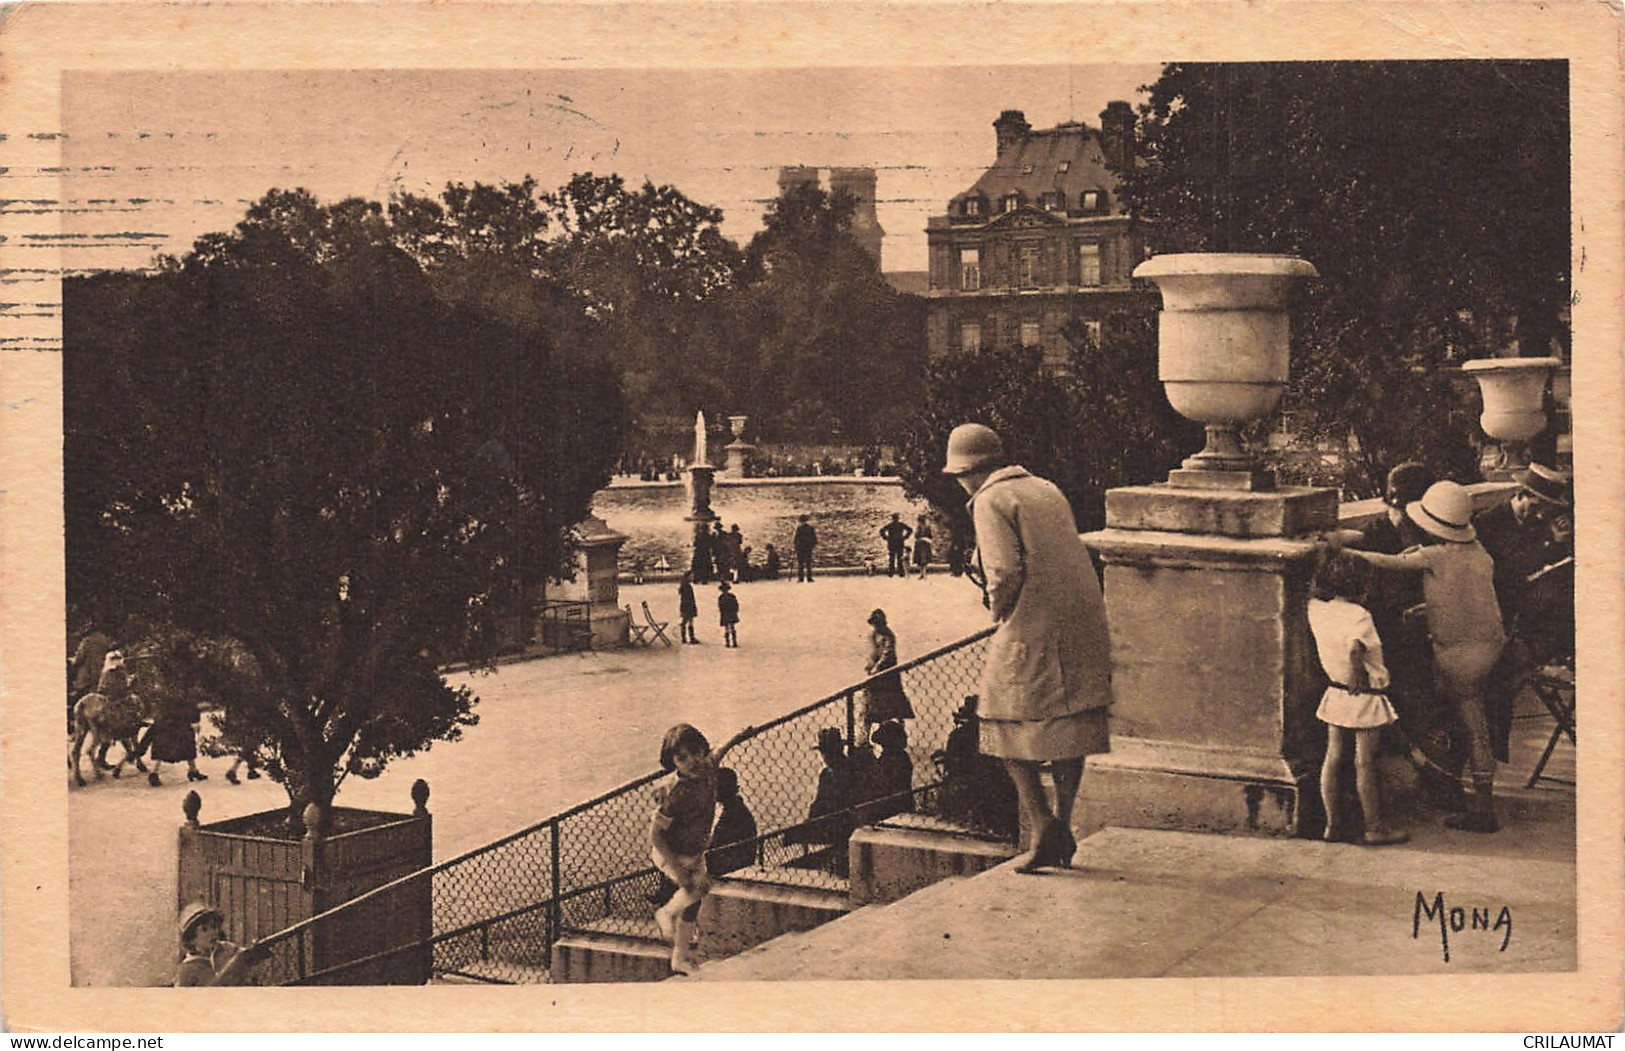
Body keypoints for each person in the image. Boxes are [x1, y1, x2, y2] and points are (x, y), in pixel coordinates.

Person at [943, 422, 1112, 873]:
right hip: (1081, 618)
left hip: (1033, 622)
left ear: (968, 471)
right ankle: (1063, 821)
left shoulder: (991, 500)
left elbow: (1003, 572)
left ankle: (1041, 824)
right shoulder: (1045, 487)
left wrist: (997, 614)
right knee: (1070, 720)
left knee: (998, 716)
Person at [1345, 480, 1506, 833]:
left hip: (1458, 658)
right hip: (1490, 648)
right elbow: (1464, 600)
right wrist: (1427, 609)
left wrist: (1345, 551)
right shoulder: (1480, 554)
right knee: (1475, 724)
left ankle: (1477, 806)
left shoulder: (1434, 557)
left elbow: (1385, 562)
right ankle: (1474, 795)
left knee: (1462, 721)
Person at [1309, 553, 1408, 846]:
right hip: (1363, 695)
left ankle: (1332, 824)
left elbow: (1311, 593)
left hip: (1336, 692)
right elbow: (1356, 648)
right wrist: (1357, 672)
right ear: (1363, 587)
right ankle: (1374, 827)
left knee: (1333, 758)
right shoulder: (1360, 615)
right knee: (1365, 761)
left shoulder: (1317, 609)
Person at [649, 721, 752, 975]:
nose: (692, 761)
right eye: (682, 758)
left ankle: (679, 959)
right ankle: (665, 914)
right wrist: (676, 867)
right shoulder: (673, 794)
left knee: (696, 900)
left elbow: (721, 749)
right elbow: (656, 836)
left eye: (696, 753)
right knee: (694, 888)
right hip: (669, 852)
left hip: (694, 851)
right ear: (672, 761)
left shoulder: (708, 768)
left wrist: (739, 735)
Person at [174, 903, 265, 986]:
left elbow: (248, 959)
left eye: (214, 927)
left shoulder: (229, 949)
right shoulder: (187, 970)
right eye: (204, 929)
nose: (213, 932)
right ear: (191, 939)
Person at [861, 609, 914, 735]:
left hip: (888, 676)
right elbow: (871, 652)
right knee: (869, 706)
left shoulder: (888, 635)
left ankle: (900, 732)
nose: (876, 626)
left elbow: (887, 653)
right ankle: (865, 737)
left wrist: (877, 668)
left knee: (895, 706)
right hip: (875, 677)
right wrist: (869, 666)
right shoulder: (872, 636)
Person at [706, 767, 759, 877]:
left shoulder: (733, 814)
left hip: (731, 867)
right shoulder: (735, 808)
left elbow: (716, 845)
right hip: (736, 862)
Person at [872, 719, 915, 818]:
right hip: (899, 801)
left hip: (893, 803)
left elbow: (887, 782)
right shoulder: (899, 756)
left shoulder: (894, 758)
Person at [879, 513, 913, 577]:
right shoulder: (901, 525)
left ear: (892, 519)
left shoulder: (890, 525)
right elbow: (910, 530)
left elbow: (881, 531)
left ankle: (891, 572)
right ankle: (901, 572)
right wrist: (905, 537)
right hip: (900, 542)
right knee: (900, 558)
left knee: (891, 558)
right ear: (898, 518)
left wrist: (886, 538)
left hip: (891, 543)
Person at [793, 515, 818, 582]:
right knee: (808, 563)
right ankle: (809, 578)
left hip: (800, 549)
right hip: (808, 549)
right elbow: (814, 539)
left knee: (800, 564)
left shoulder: (799, 529)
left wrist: (796, 546)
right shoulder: (810, 528)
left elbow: (796, 539)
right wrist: (811, 546)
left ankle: (800, 578)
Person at [677, 571, 700, 644]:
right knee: (689, 621)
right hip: (689, 606)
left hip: (684, 606)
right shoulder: (688, 587)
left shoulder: (684, 585)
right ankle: (691, 637)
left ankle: (684, 637)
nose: (692, 577)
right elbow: (690, 598)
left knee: (685, 621)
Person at [717, 580, 740, 648]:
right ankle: (734, 642)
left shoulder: (721, 597)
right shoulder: (732, 596)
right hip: (732, 613)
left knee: (726, 628)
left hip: (725, 614)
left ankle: (727, 643)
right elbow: (736, 604)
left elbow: (720, 606)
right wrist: (735, 611)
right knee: (732, 627)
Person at [912, 514, 935, 580]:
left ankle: (923, 574)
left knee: (922, 560)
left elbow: (916, 536)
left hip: (922, 544)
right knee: (922, 560)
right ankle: (923, 574)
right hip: (923, 544)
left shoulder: (922, 527)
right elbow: (930, 536)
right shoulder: (925, 527)